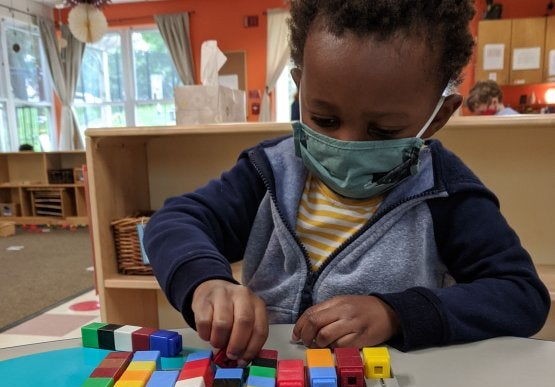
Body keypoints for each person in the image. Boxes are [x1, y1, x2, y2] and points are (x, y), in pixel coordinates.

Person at [144, 0, 550, 365]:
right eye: (324, 119)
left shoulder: (447, 193)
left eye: (383, 130)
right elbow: (174, 221)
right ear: (301, 86)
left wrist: (395, 313)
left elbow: (521, 295)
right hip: (267, 381)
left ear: (439, 116)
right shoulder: (269, 170)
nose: (346, 144)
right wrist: (206, 281)